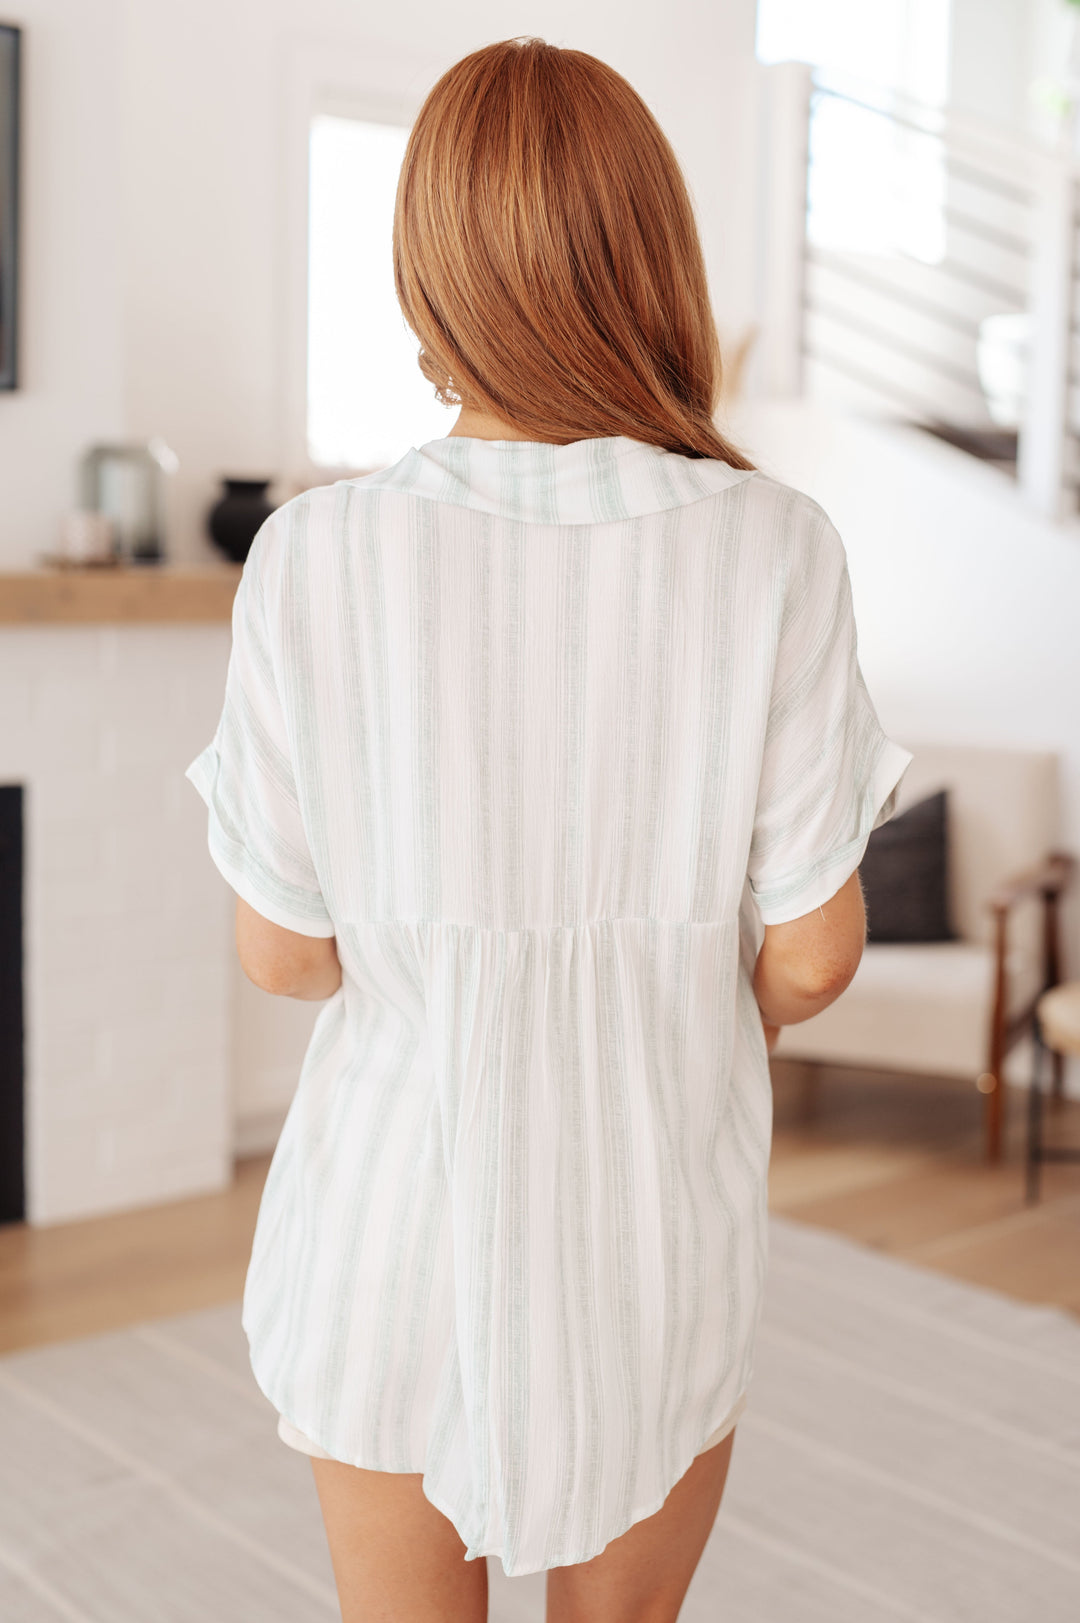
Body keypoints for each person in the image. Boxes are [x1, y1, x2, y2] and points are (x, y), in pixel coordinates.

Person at [186, 35, 910, 1623]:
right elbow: (818, 952)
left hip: (387, 1224)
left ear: (428, 275)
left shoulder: (314, 557)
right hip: (651, 1231)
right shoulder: (775, 547)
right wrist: (692, 990)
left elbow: (283, 954)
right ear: (651, 258)